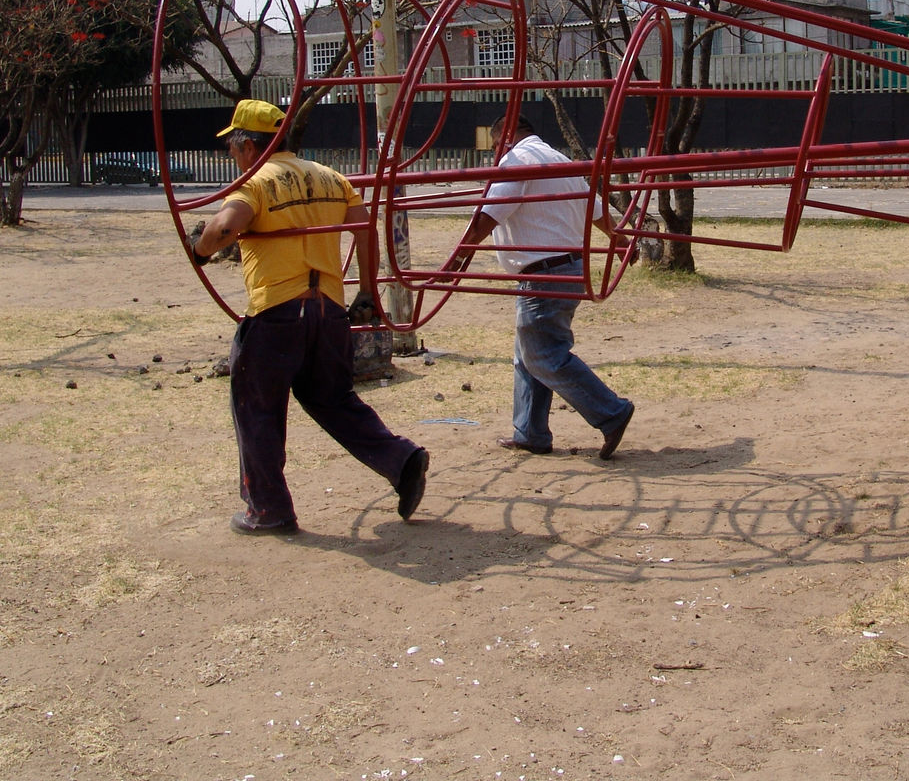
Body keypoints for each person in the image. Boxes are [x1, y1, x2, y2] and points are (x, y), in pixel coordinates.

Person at [189, 99, 429, 533]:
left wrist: (200, 248)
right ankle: (401, 460)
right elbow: (365, 230)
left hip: (276, 312)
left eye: (232, 147)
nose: (231, 156)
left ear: (247, 145)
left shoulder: (256, 182)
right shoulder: (331, 178)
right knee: (332, 399)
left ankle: (269, 509)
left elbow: (225, 228)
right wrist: (369, 291)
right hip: (328, 311)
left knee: (258, 409)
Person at [450, 113, 636, 459]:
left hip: (544, 272)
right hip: (568, 268)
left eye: (494, 146)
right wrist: (620, 240)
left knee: (543, 354)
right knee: (528, 354)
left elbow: (489, 214)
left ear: (505, 136)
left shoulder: (516, 160)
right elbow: (593, 208)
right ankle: (530, 432)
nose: (495, 153)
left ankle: (611, 412)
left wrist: (458, 258)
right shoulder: (559, 159)